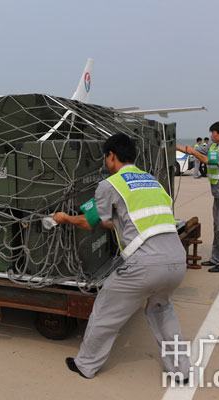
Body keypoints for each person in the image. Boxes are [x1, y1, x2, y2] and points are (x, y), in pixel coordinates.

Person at [53, 133, 190, 380]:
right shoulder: (152, 181)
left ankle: (85, 365)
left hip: (146, 264)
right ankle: (181, 370)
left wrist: (65, 218)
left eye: (107, 158)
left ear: (112, 156)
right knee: (162, 311)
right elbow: (124, 222)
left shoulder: (111, 184)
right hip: (177, 260)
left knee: (105, 312)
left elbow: (89, 222)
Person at [177, 121, 219, 273]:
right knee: (217, 227)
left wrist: (194, 152)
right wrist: (173, 146)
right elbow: (192, 150)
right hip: (218, 193)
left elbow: (208, 160)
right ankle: (216, 258)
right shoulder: (214, 146)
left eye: (213, 133)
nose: (211, 136)